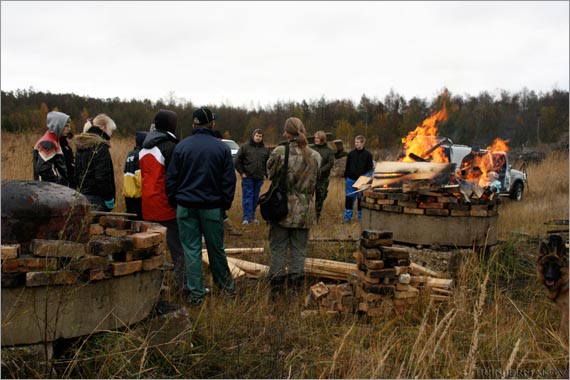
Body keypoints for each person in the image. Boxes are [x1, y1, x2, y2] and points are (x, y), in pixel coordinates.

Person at [166, 106, 237, 305]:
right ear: (211, 123)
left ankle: (197, 295)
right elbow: (229, 180)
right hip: (212, 207)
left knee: (191, 250)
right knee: (216, 249)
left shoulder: (181, 146)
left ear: (194, 124)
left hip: (185, 206)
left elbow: (171, 179)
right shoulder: (221, 147)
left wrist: (175, 201)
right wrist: (224, 204)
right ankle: (226, 289)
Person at [266, 117, 321, 299]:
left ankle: (276, 289)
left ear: (287, 133)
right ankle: (295, 289)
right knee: (299, 249)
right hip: (305, 209)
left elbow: (270, 173)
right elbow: (317, 180)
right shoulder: (315, 155)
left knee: (278, 248)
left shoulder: (280, 152)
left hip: (282, 207)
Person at [139, 110, 187, 298]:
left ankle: (149, 285)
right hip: (166, 205)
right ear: (170, 126)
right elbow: (175, 179)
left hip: (148, 205)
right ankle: (185, 285)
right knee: (178, 249)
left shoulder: (144, 147)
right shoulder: (170, 147)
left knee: (152, 249)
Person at [74, 114, 116, 212]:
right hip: (98, 199)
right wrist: (108, 198)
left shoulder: (81, 145)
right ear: (103, 127)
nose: (111, 133)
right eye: (110, 129)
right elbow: (102, 177)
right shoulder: (101, 147)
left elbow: (76, 173)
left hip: (81, 197)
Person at [234, 128, 269, 225]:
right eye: (257, 136)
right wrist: (241, 172)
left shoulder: (265, 150)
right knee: (247, 196)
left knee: (255, 197)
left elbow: (268, 163)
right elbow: (237, 161)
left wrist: (266, 174)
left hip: (259, 177)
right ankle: (246, 217)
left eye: (260, 136)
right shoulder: (245, 147)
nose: (258, 138)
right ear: (253, 136)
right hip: (248, 177)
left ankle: (253, 215)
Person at [213, 130, 242, 236]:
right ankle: (229, 229)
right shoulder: (215, 151)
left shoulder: (222, 151)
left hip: (219, 187)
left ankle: (229, 229)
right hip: (212, 188)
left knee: (221, 211)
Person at [33, 111, 72, 187]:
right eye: (66, 126)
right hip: (48, 191)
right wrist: (58, 186)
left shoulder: (53, 140)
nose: (69, 129)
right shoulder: (48, 142)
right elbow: (44, 170)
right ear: (58, 125)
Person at [343, 135, 373, 223]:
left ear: (362, 143)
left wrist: (366, 179)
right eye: (355, 142)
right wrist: (346, 176)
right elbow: (347, 166)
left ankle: (361, 219)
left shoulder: (368, 155)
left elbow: (370, 168)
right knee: (349, 199)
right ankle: (347, 218)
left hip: (362, 180)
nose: (356, 144)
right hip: (350, 179)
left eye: (358, 142)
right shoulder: (351, 154)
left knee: (361, 199)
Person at [123, 131, 147, 220]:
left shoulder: (130, 154)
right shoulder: (140, 154)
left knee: (131, 224)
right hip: (137, 197)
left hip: (128, 196)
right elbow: (139, 177)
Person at [311, 130, 335, 222]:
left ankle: (317, 217)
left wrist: (321, 170)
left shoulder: (328, 151)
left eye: (318, 138)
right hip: (311, 178)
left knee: (320, 198)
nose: (316, 139)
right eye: (315, 138)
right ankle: (307, 216)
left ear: (322, 139)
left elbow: (330, 163)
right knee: (308, 197)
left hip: (322, 178)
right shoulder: (311, 149)